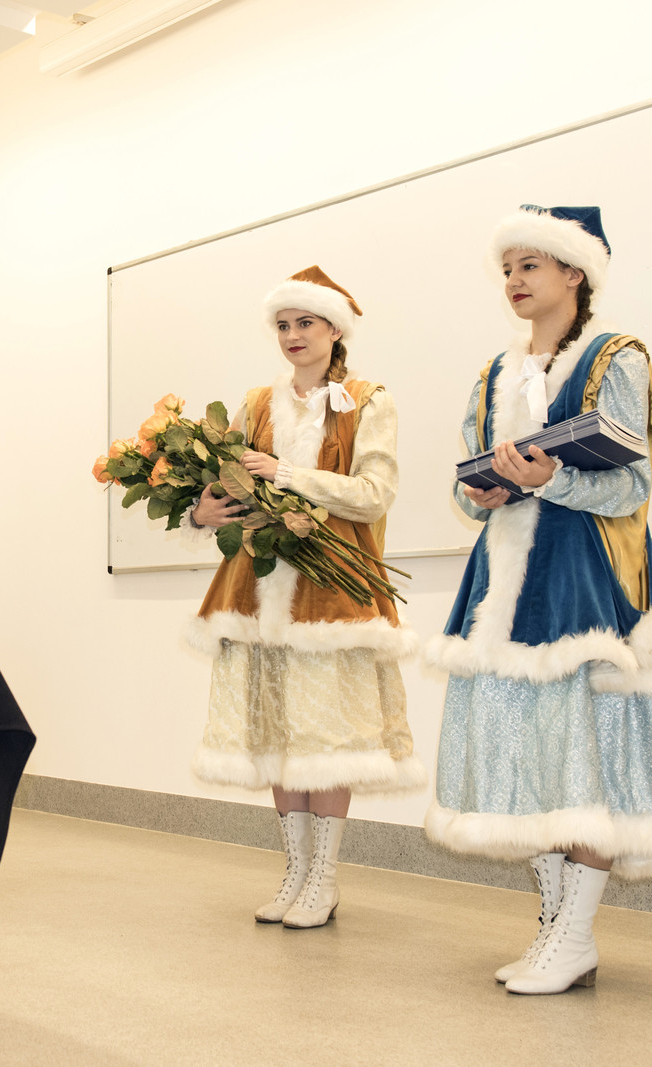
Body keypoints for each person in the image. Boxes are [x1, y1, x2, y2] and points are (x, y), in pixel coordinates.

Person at [427, 205, 652, 994]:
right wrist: (480, 492)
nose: (514, 281)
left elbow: (633, 483)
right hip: (504, 587)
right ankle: (554, 928)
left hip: (585, 580)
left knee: (586, 760)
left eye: (530, 266)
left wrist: (556, 478)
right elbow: (468, 476)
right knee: (536, 760)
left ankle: (574, 934)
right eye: (507, 269)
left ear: (575, 273)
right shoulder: (495, 371)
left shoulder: (618, 357)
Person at [186, 266, 423, 929]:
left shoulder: (367, 399)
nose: (293, 335)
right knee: (279, 737)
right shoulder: (256, 403)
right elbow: (222, 487)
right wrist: (203, 510)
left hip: (332, 598)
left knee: (328, 739)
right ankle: (294, 871)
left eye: (306, 323)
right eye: (284, 324)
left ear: (334, 330)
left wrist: (287, 473)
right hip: (260, 594)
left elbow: (374, 493)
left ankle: (325, 877)